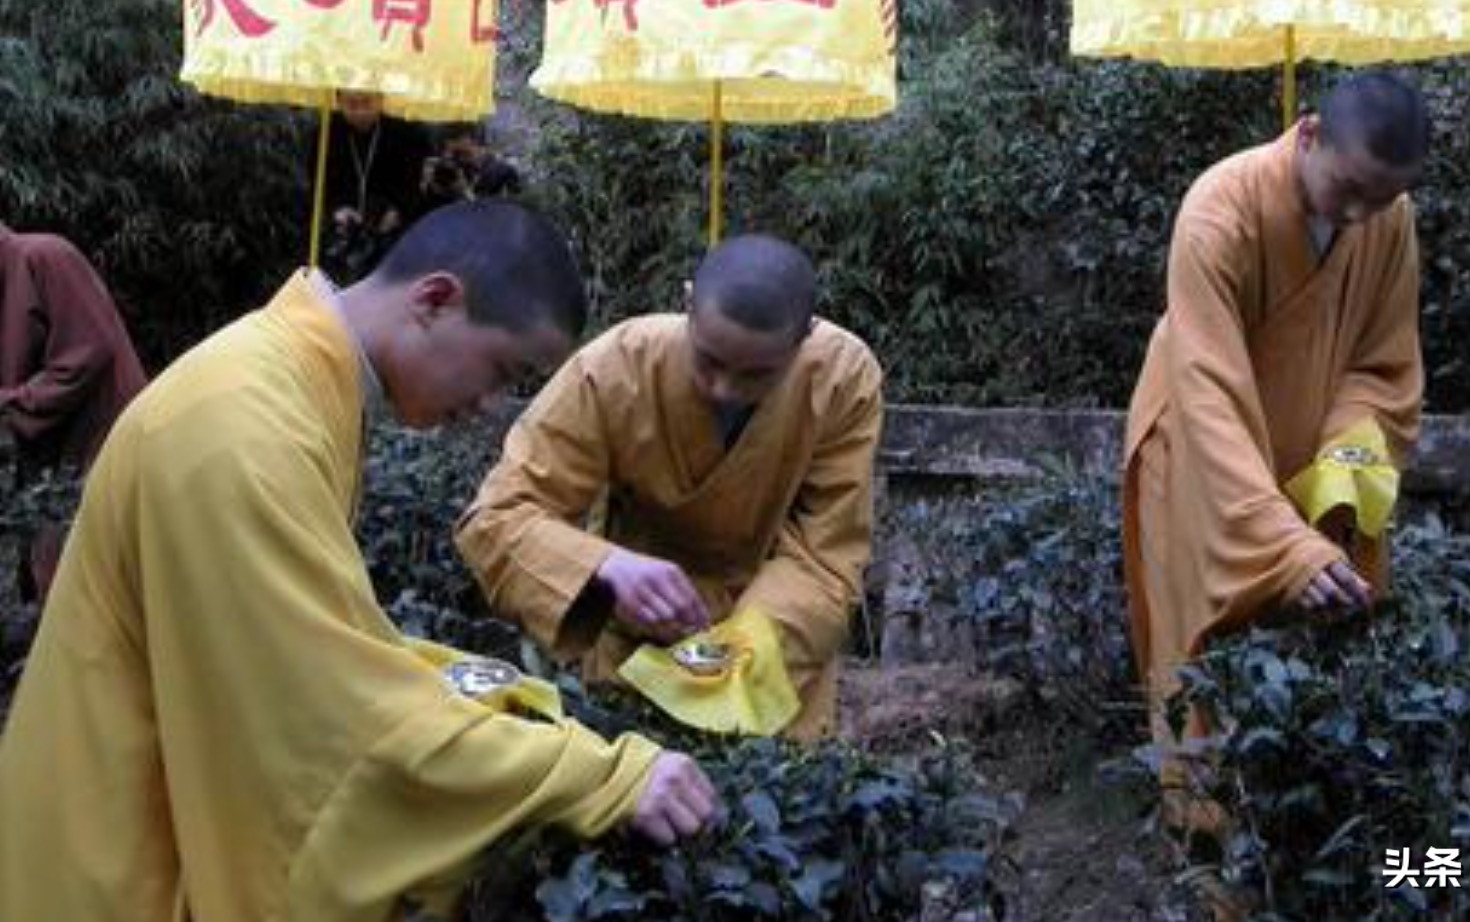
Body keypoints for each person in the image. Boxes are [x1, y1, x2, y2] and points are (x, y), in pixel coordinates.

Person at [0, 200, 716, 922]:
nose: (491, 404)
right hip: (112, 863)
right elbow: (334, 729)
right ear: (435, 299)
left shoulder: (286, 383)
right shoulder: (241, 430)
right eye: (503, 369)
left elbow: (307, 643)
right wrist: (598, 778)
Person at [1121, 71, 1428, 794]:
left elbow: (1384, 366)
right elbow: (1209, 392)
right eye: (1348, 188)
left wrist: (1342, 474)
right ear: (1311, 134)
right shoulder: (1217, 213)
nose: (1360, 214)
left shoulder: (1390, 216)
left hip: (1310, 458)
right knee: (1201, 663)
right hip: (1202, 460)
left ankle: (1304, 856)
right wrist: (1277, 539)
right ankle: (1207, 869)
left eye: (1380, 198)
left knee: (1320, 655)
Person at [458, 234, 884, 741]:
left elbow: (826, 554)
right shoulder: (615, 367)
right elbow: (498, 516)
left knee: (765, 804)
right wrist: (604, 569)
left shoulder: (842, 379)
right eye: (709, 361)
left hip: (773, 649)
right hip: (633, 641)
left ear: (804, 339)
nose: (724, 387)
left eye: (756, 374)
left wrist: (735, 654)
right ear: (686, 304)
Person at [0, 221, 146, 600]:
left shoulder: (44, 255)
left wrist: (12, 403)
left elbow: (88, 351)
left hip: (105, 442)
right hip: (52, 464)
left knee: (96, 586)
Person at [319, 89, 435, 282]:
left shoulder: (407, 133)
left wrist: (399, 209)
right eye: (351, 105)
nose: (360, 112)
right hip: (344, 230)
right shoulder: (326, 133)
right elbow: (320, 183)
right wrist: (336, 208)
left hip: (393, 230)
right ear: (338, 101)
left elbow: (415, 183)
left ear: (381, 100)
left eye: (366, 103)